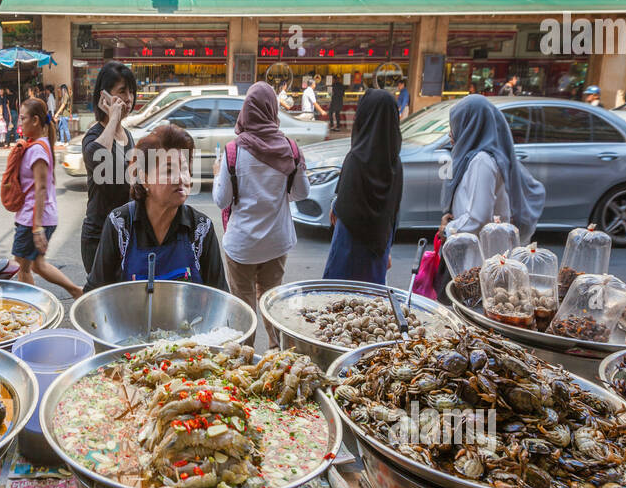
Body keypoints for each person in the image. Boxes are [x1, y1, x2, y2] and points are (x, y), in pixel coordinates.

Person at [212, 82, 310, 345]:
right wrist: (280, 192)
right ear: (272, 110)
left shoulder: (233, 152)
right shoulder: (290, 149)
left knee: (244, 306)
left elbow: (222, 200)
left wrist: (215, 174)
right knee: (271, 301)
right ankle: (278, 357)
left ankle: (245, 362)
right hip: (276, 244)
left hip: (241, 245)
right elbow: (302, 193)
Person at [85, 123, 226, 291]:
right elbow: (95, 290)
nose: (180, 178)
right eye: (169, 170)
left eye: (184, 169)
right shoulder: (119, 224)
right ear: (144, 179)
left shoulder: (201, 228)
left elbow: (219, 297)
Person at [323, 89, 404, 285]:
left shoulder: (356, 158)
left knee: (338, 300)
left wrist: (335, 206)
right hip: (378, 249)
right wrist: (387, 248)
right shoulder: (395, 163)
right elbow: (392, 212)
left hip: (348, 249)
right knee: (370, 304)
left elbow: (342, 209)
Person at [439, 94, 546, 241]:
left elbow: (479, 218)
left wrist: (448, 230)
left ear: (472, 127)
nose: (451, 133)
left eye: (457, 124)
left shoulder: (482, 161)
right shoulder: (472, 158)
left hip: (479, 255)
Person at [12, 97, 84, 298]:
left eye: (23, 118)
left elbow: (41, 189)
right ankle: (75, 290)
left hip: (33, 218)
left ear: (35, 120)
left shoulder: (37, 150)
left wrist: (36, 228)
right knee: (36, 265)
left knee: (25, 266)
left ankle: (33, 308)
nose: (20, 123)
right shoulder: (39, 145)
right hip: (36, 217)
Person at [80, 61, 138, 274]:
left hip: (125, 235)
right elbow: (97, 157)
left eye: (131, 91)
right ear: (104, 96)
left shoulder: (128, 136)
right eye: (122, 91)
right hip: (98, 238)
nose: (129, 99)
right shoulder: (94, 135)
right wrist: (113, 117)